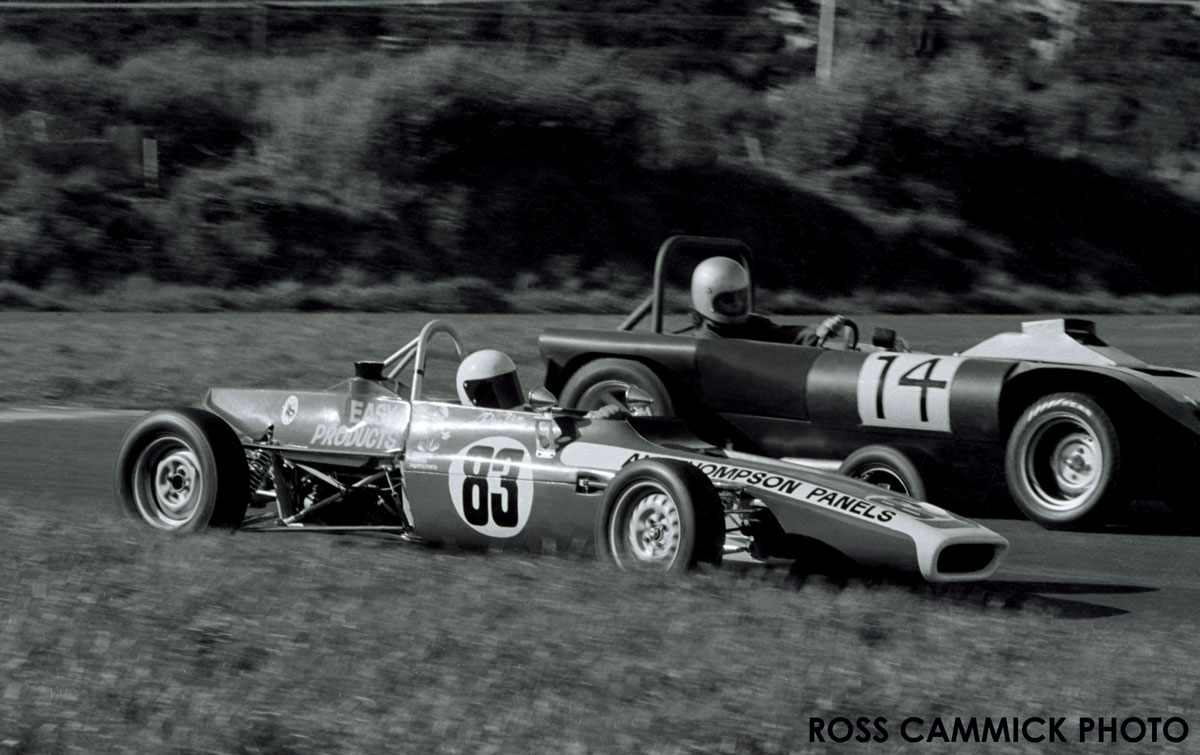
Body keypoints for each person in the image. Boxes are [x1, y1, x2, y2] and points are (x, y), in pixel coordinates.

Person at [687, 256, 848, 346]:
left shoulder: (754, 326)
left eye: (742, 296)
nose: (739, 304)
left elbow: (786, 335)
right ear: (707, 302)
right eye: (728, 299)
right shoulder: (702, 343)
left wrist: (818, 332)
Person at [456, 350, 625, 418]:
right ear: (474, 395)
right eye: (494, 391)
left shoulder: (519, 417)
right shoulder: (478, 424)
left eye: (508, 386)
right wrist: (590, 420)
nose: (505, 394)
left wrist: (591, 417)